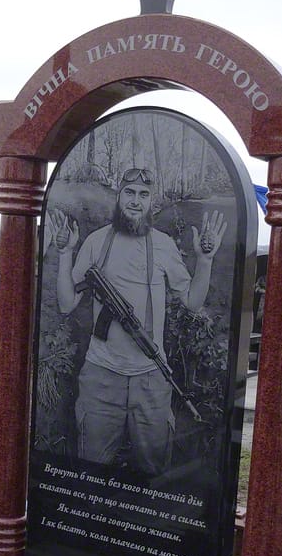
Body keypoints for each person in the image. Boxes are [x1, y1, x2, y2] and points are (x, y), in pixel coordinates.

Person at [49, 167, 227, 475]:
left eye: (143, 195)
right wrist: (66, 255)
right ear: (119, 197)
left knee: (154, 471)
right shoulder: (96, 242)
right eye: (129, 193)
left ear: (150, 202)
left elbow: (192, 302)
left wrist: (205, 260)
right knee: (92, 469)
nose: (136, 201)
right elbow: (67, 304)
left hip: (151, 377)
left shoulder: (163, 245)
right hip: (101, 377)